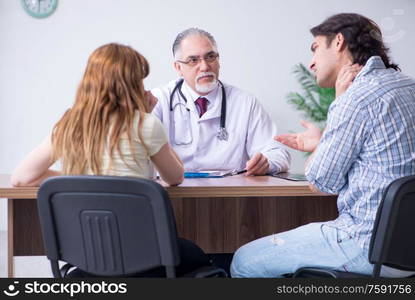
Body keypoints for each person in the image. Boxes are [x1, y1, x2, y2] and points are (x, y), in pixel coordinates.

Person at [231, 13, 415, 277]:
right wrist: (324, 141)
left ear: (338, 41)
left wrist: (339, 103)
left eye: (315, 48)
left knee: (243, 261)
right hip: (406, 249)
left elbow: (320, 182)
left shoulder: (356, 98)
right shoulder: (408, 86)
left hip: (366, 243)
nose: (311, 63)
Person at [11, 43, 211, 276]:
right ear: (130, 85)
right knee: (199, 255)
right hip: (144, 253)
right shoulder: (144, 124)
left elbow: (21, 178)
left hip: (86, 256)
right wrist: (146, 116)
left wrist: (80, 179)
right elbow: (175, 177)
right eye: (140, 81)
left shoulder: (70, 123)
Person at [151, 28, 290, 175]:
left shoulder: (244, 102)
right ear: (178, 67)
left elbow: (277, 152)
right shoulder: (158, 100)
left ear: (218, 60)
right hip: (174, 193)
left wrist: (267, 163)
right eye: (193, 60)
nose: (204, 66)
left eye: (210, 57)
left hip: (230, 193)